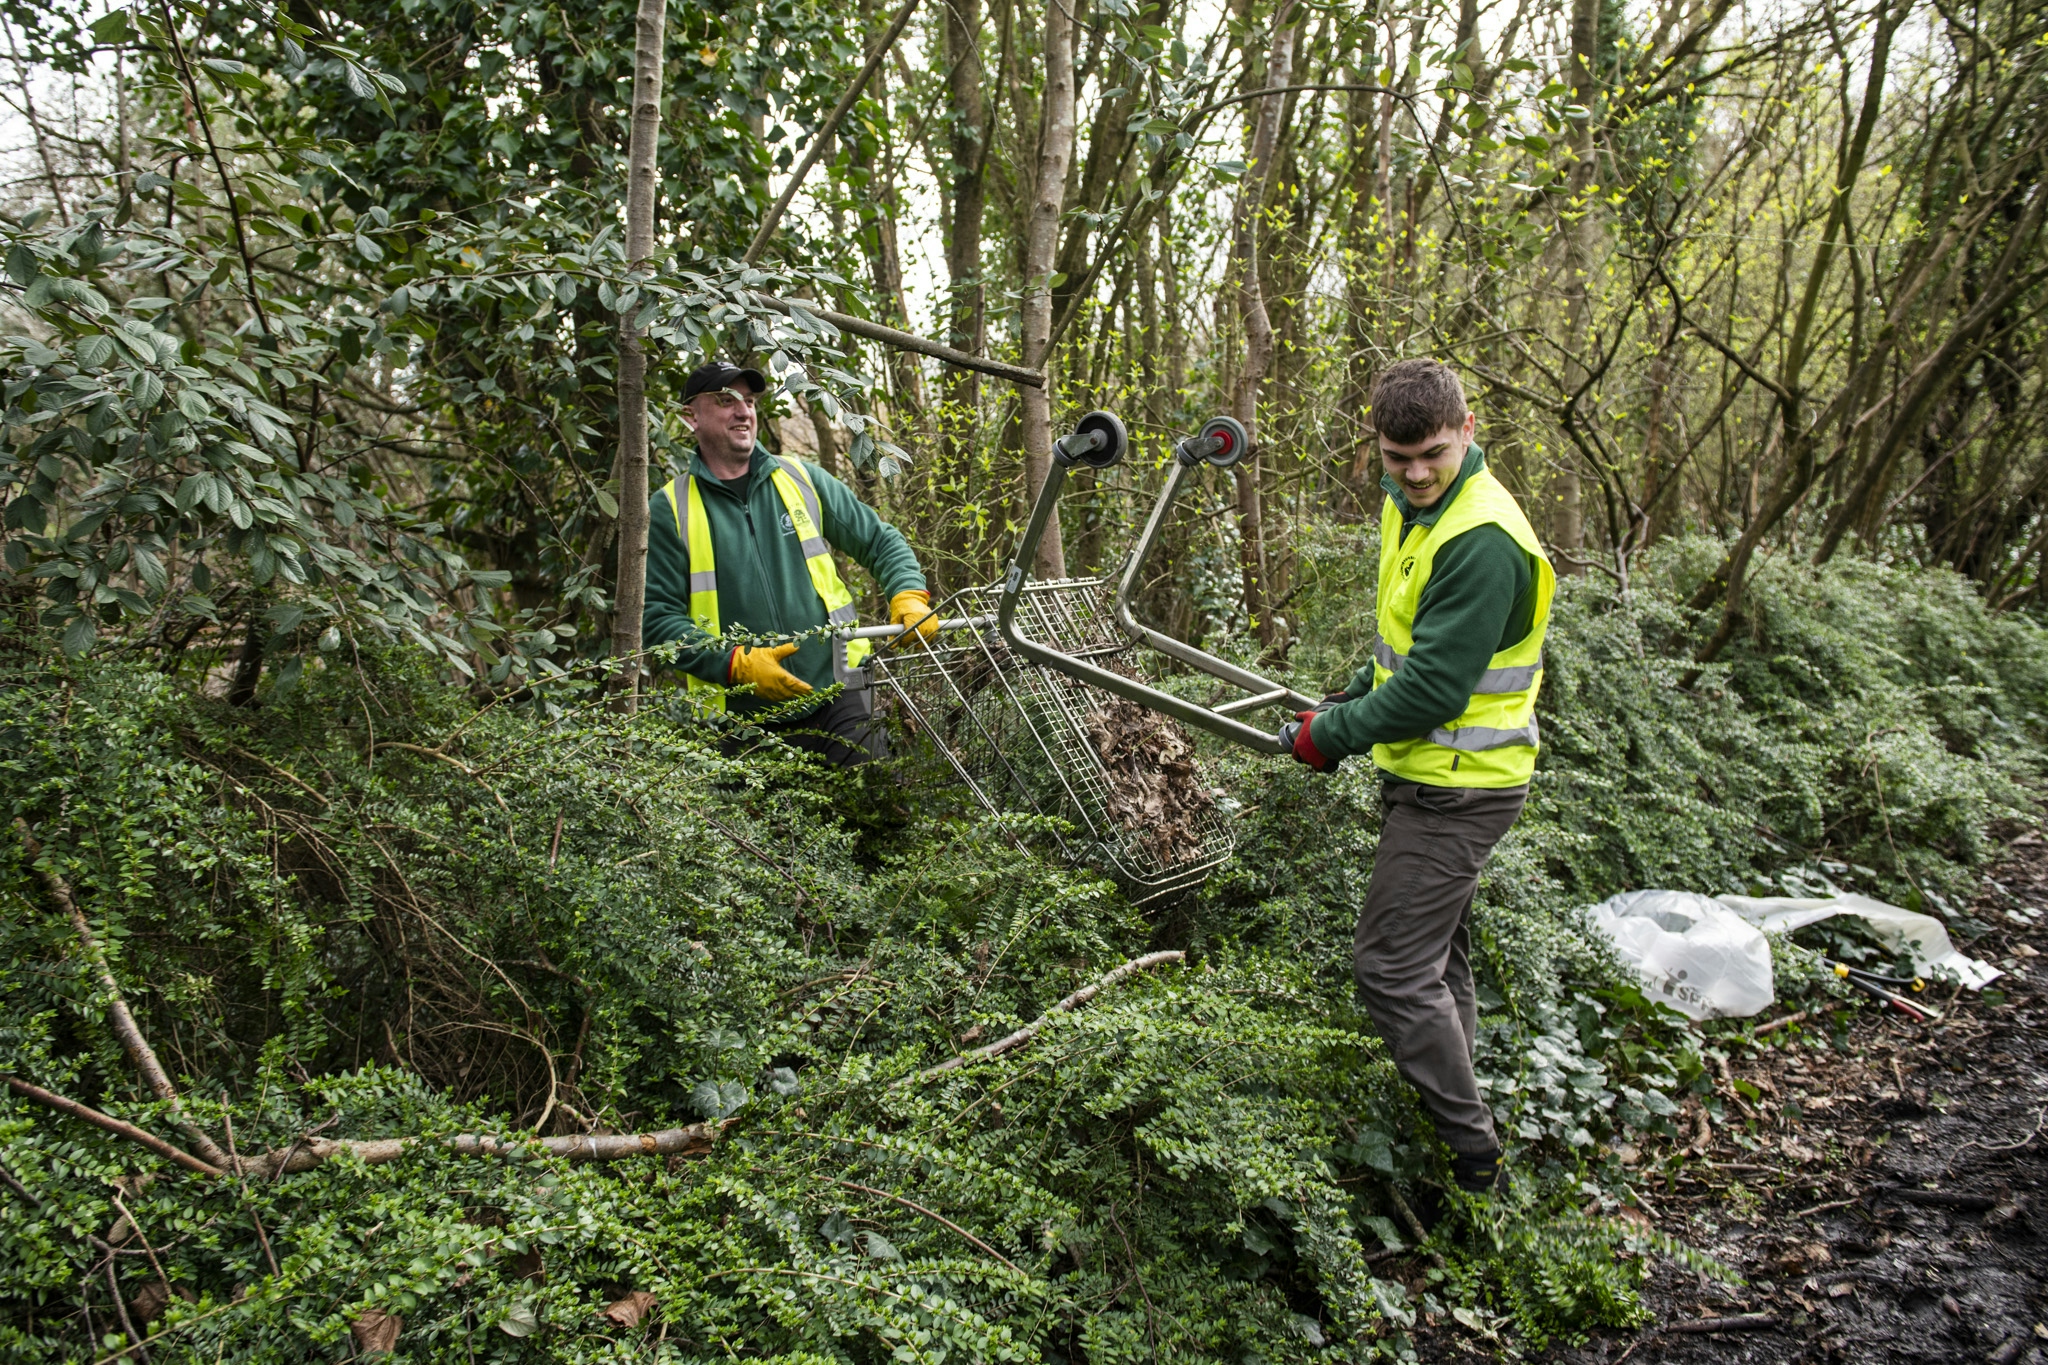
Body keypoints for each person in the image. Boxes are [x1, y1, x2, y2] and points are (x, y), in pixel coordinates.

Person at [1282, 359, 1556, 1198]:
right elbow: (1407, 651)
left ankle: (1474, 1160)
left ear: (1469, 431)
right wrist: (1353, 698)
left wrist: (1332, 738)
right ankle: (1449, 1117)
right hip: (1435, 772)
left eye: (1432, 453)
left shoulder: (1480, 539)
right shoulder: (1416, 509)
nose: (1416, 473)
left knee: (1392, 969)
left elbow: (1436, 691)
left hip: (1459, 787)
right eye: (1398, 458)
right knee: (1439, 963)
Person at [642, 359, 938, 765]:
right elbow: (658, 622)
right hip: (738, 722)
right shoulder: (668, 508)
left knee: (877, 817)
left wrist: (908, 594)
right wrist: (737, 666)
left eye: (748, 400)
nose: (743, 410)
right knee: (765, 832)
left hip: (841, 696)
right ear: (691, 417)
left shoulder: (800, 478)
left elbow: (879, 540)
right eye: (726, 400)